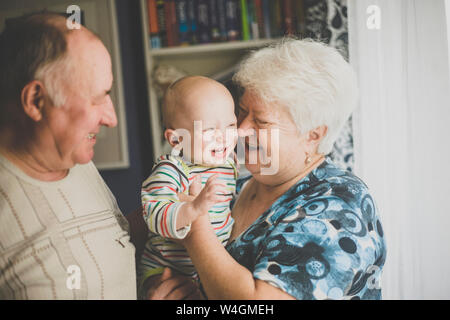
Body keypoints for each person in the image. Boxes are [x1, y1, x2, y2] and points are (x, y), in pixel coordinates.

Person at [146, 39, 387, 300]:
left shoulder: (341, 205)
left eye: (261, 121)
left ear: (312, 136)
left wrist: (195, 228)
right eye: (241, 112)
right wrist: (156, 283)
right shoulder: (236, 181)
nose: (240, 130)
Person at [0, 12, 140, 299]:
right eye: (96, 98)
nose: (111, 119)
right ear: (36, 101)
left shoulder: (75, 159)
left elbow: (113, 242)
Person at [138, 76, 238, 298]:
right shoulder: (171, 170)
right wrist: (193, 209)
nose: (223, 137)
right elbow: (154, 214)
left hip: (205, 267)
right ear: (176, 141)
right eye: (209, 129)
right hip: (165, 268)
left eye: (231, 125)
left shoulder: (229, 164)